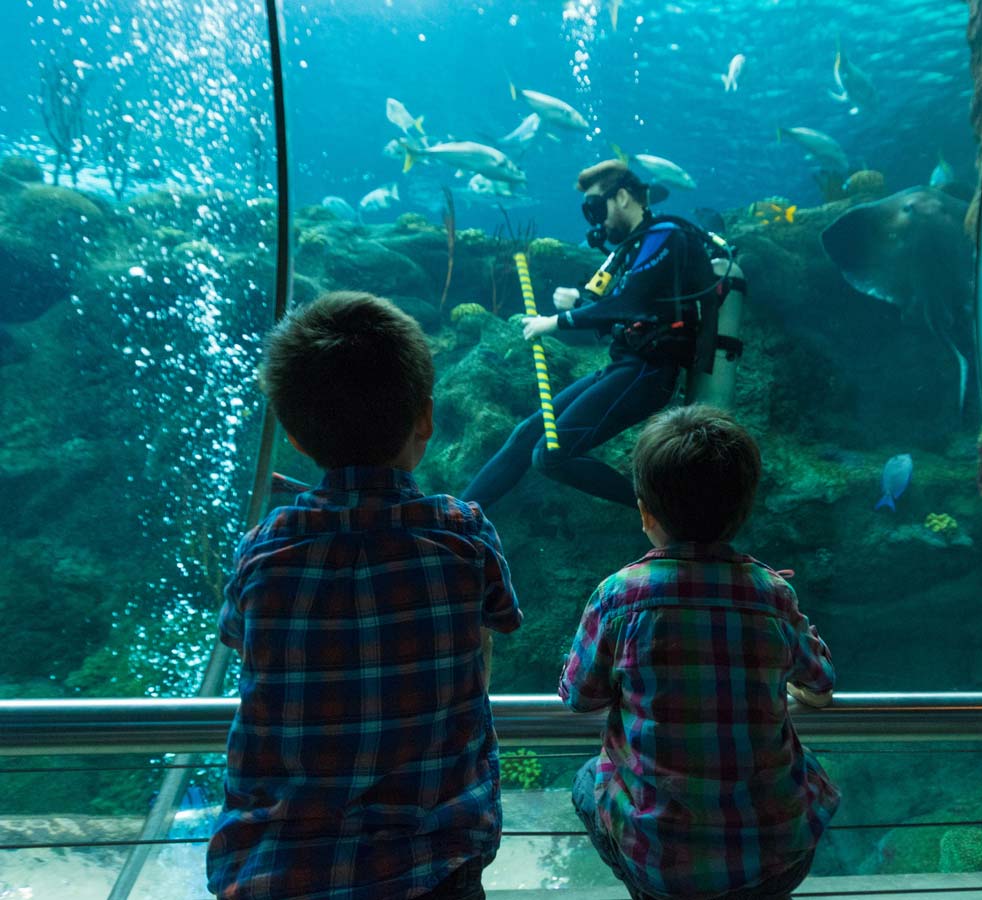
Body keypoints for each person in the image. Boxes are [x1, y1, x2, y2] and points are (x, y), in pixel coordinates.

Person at [206, 291, 523, 900]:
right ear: (426, 418)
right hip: (434, 864)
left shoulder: (262, 550)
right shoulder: (462, 533)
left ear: (295, 436)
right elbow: (494, 627)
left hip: (276, 870)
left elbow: (243, 646)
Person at [559, 405, 839, 900]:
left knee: (587, 781)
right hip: (777, 854)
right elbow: (820, 681)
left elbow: (580, 697)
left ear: (645, 512)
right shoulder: (772, 594)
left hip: (663, 867)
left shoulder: (618, 596)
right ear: (745, 507)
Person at [462, 159, 717, 510]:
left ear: (623, 197)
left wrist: (556, 321)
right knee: (525, 436)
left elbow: (628, 303)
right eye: (588, 211)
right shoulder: (631, 249)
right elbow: (608, 306)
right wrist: (577, 301)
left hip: (649, 372)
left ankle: (661, 511)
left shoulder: (665, 235)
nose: (596, 220)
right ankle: (455, 518)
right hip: (625, 366)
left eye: (596, 207)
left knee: (550, 456)